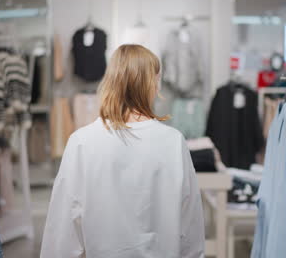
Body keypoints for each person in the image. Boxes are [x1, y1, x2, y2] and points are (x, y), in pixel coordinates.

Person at [40, 44, 205, 258]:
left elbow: (61, 233)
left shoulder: (82, 142)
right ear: (152, 84)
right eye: (158, 80)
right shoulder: (173, 142)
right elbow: (191, 227)